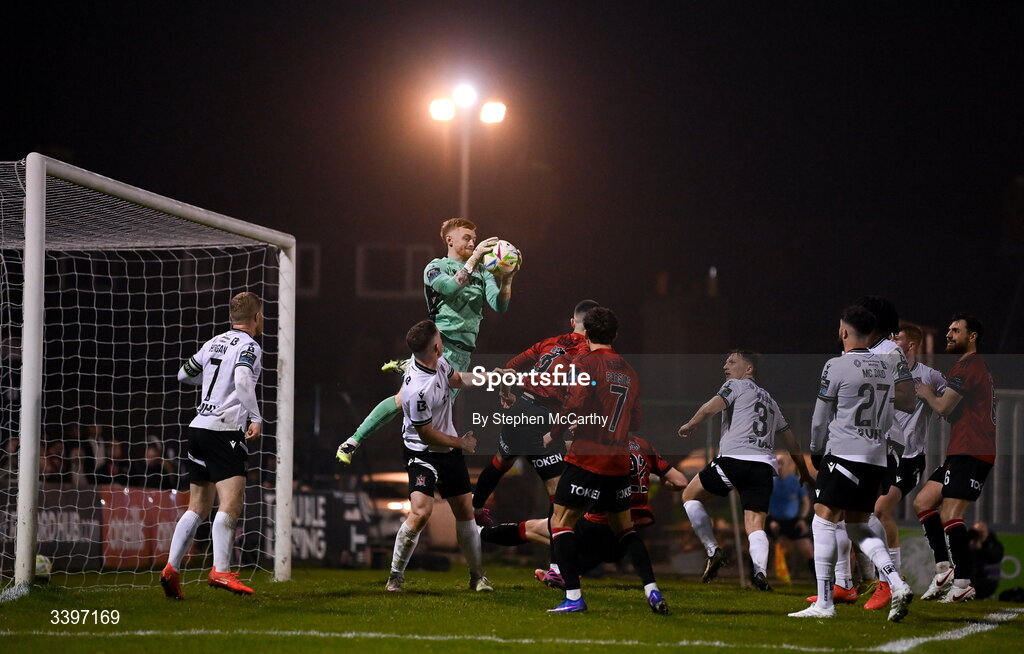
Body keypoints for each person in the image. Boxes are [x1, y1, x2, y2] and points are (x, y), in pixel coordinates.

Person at [337, 218, 517, 464]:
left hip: (463, 354)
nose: (473, 242)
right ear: (449, 239)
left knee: (438, 413)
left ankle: (407, 366)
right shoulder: (436, 267)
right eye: (467, 238)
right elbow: (450, 289)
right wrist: (474, 259)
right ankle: (352, 441)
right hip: (438, 346)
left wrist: (507, 278)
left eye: (474, 239)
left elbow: (500, 306)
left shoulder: (484, 272)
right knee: (405, 401)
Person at [789, 305, 913, 622]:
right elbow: (899, 406)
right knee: (857, 523)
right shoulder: (887, 366)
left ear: (844, 331)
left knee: (822, 517)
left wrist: (816, 451)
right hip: (876, 455)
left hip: (845, 452)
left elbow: (819, 419)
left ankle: (826, 602)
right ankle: (896, 582)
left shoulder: (836, 366)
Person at [546, 307, 667, 614]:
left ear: (585, 334)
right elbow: (636, 420)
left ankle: (573, 597)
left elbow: (575, 402)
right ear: (615, 335)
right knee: (625, 529)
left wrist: (555, 433)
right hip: (618, 461)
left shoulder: (584, 362)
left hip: (588, 457)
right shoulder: (629, 370)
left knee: (560, 523)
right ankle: (652, 590)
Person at [678, 350, 815, 591]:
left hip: (735, 459)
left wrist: (691, 424)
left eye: (732, 361)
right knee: (755, 523)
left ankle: (713, 551)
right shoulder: (771, 402)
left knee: (690, 496)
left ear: (748, 369)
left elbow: (711, 408)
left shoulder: (735, 386)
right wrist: (803, 470)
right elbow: (792, 442)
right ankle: (760, 574)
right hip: (763, 466)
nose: (725, 366)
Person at [160, 291, 265, 600]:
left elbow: (183, 375)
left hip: (198, 428)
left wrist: (210, 384)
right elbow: (244, 380)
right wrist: (256, 417)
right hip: (224, 430)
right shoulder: (249, 346)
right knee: (230, 504)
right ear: (257, 318)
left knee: (197, 506)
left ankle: (171, 568)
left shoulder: (213, 342)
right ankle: (220, 570)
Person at [479, 434, 687, 589]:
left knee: (538, 528)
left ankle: (479, 533)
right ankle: (565, 573)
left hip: (601, 524)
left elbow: (572, 456)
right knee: (578, 546)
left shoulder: (602, 446)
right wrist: (661, 481)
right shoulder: (644, 445)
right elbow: (680, 481)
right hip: (629, 536)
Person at [385, 319, 501, 592]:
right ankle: (395, 577)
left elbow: (458, 379)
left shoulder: (439, 362)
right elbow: (426, 434)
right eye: (440, 336)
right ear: (437, 346)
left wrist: (489, 378)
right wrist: (460, 442)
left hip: (447, 453)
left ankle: (477, 577)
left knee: (464, 512)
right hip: (423, 453)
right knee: (420, 512)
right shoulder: (417, 390)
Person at [471, 299, 600, 525]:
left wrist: (505, 391)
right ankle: (556, 556)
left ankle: (475, 510)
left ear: (573, 322)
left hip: (520, 408)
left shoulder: (549, 342)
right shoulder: (586, 352)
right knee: (558, 492)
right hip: (541, 418)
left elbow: (508, 367)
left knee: (500, 462)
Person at [913, 313, 996, 603]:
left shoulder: (970, 366)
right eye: (948, 329)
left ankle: (962, 583)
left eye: (955, 330)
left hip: (972, 451)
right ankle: (944, 569)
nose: (949, 334)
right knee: (923, 502)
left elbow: (944, 407)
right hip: (960, 450)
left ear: (972, 337)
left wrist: (925, 393)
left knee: (951, 514)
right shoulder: (967, 366)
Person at [862, 322, 945, 609]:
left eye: (896, 337)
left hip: (909, 458)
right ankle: (871, 579)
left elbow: (952, 402)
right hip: (881, 453)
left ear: (911, 345)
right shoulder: (885, 372)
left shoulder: (929, 376)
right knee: (861, 513)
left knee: (880, 508)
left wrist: (931, 397)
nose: (891, 341)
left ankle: (890, 581)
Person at [767, 453, 814, 577]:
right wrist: (769, 519)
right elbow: (764, 503)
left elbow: (805, 502)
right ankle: (754, 580)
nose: (779, 466)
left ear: (788, 465)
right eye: (777, 463)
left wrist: (802, 519)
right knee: (759, 542)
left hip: (792, 521)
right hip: (774, 521)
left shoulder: (796, 481)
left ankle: (819, 583)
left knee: (808, 550)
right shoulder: (770, 482)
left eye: (782, 463)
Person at [967, 522, 1004, 600]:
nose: (979, 535)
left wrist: (980, 549)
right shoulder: (969, 544)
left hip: (987, 581)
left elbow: (994, 558)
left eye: (981, 532)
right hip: (969, 580)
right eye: (977, 532)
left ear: (987, 532)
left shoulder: (994, 544)